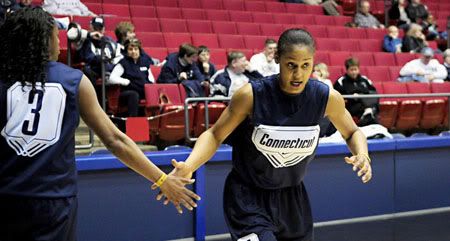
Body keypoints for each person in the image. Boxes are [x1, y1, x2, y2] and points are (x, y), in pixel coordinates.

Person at [0, 8, 199, 241]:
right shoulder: (73, 80)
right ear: (44, 41)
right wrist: (162, 180)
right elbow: (115, 140)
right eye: (55, 37)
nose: (58, 42)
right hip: (53, 200)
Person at [156, 29, 372, 241]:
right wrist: (190, 165)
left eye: (306, 66)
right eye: (291, 65)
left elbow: (352, 131)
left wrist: (362, 154)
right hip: (247, 197)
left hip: (292, 198)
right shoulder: (251, 95)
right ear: (277, 58)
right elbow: (214, 135)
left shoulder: (326, 97)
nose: (298, 74)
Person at [108, 38, 155, 116]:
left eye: (136, 49)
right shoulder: (123, 63)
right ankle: (133, 121)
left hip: (143, 90)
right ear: (127, 51)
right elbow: (111, 78)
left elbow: (151, 80)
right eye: (130, 49)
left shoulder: (145, 62)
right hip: (128, 92)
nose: (133, 51)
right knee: (134, 95)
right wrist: (126, 81)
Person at [334, 57, 379, 126]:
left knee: (372, 107)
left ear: (358, 69)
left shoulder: (365, 80)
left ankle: (368, 116)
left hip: (367, 104)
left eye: (355, 69)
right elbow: (337, 97)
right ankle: (367, 116)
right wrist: (352, 96)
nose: (354, 72)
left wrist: (361, 94)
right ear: (347, 70)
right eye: (351, 70)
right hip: (351, 107)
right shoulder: (341, 81)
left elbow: (373, 92)